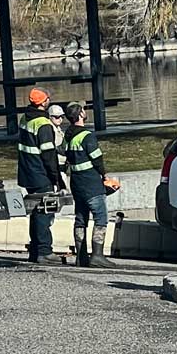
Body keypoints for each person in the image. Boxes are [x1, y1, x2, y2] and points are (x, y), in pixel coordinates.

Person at [64, 103, 116, 268]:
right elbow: (97, 158)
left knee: (81, 219)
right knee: (100, 217)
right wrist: (104, 174)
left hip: (77, 184)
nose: (85, 112)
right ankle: (97, 255)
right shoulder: (87, 136)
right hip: (91, 183)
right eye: (83, 110)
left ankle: (81, 257)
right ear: (80, 115)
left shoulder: (69, 135)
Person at [17, 87, 66, 263]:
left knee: (35, 212)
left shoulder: (24, 119)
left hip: (27, 173)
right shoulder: (43, 124)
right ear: (44, 102)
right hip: (41, 174)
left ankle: (35, 250)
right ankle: (44, 251)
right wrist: (57, 178)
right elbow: (49, 155)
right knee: (45, 212)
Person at [48, 104, 69, 188]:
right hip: (57, 168)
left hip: (63, 167)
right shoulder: (50, 129)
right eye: (57, 117)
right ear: (50, 117)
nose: (60, 119)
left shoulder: (58, 129)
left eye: (62, 117)